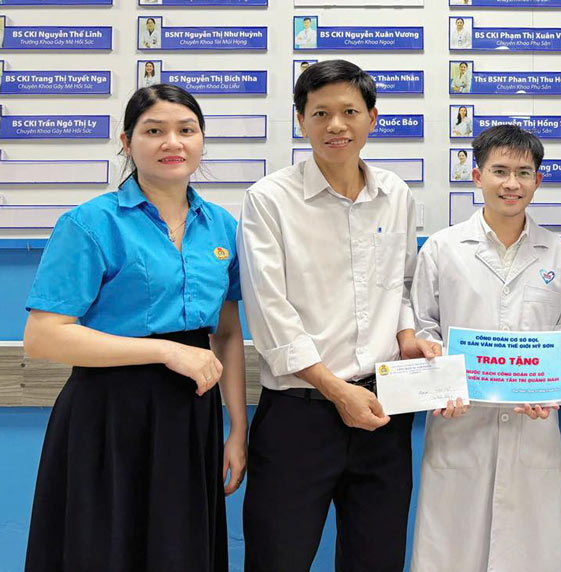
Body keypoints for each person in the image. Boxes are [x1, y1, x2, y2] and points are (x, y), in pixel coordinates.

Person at [23, 84, 247, 572]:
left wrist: (237, 428)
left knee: (179, 550)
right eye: (154, 131)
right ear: (126, 142)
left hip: (192, 416)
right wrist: (166, 352)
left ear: (202, 140)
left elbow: (227, 333)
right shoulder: (89, 223)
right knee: (104, 548)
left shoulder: (222, 227)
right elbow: (44, 335)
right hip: (108, 414)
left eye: (186, 130)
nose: (173, 142)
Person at [238, 59, 440, 572]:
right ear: (300, 120)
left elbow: (403, 284)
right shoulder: (269, 201)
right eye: (320, 112)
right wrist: (335, 389)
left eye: (350, 111)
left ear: (372, 118)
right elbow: (269, 313)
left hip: (382, 411)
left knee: (377, 559)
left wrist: (408, 335)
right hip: (298, 415)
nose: (336, 125)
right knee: (278, 558)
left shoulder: (395, 195)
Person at [410, 124, 561, 572]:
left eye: (524, 173)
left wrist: (544, 384)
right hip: (460, 423)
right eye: (500, 171)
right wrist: (438, 380)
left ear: (538, 181)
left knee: (530, 550)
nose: (512, 184)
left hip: (533, 423)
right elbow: (422, 326)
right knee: (452, 549)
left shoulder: (558, 254)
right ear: (477, 176)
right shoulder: (442, 249)